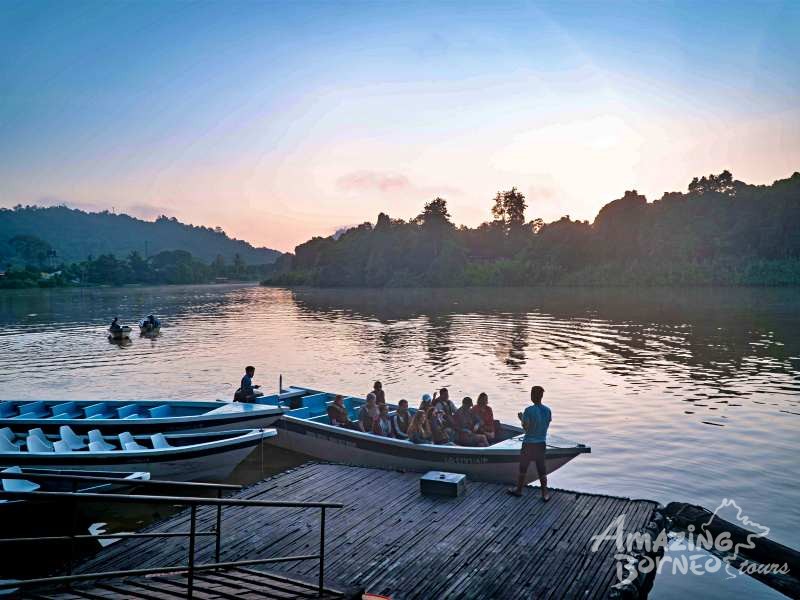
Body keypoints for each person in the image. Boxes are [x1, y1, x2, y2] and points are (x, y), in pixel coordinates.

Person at [508, 386, 552, 501]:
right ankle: (545, 493)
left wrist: (521, 418)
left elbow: (526, 428)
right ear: (541, 396)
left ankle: (519, 490)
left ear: (532, 396)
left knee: (523, 468)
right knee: (541, 469)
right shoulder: (548, 410)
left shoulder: (528, 410)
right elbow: (546, 424)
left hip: (529, 444)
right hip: (541, 443)